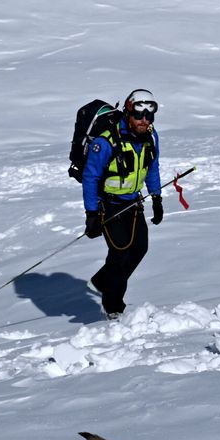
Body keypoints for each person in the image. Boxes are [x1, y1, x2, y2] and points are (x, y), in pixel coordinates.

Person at [82, 89, 163, 318]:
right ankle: (114, 307)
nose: (144, 120)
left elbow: (152, 167)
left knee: (139, 249)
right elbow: (91, 177)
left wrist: (156, 197)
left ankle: (102, 281)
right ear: (128, 113)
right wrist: (91, 213)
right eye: (139, 115)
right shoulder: (106, 141)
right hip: (108, 204)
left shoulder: (151, 137)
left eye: (149, 116)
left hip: (134, 204)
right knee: (119, 255)